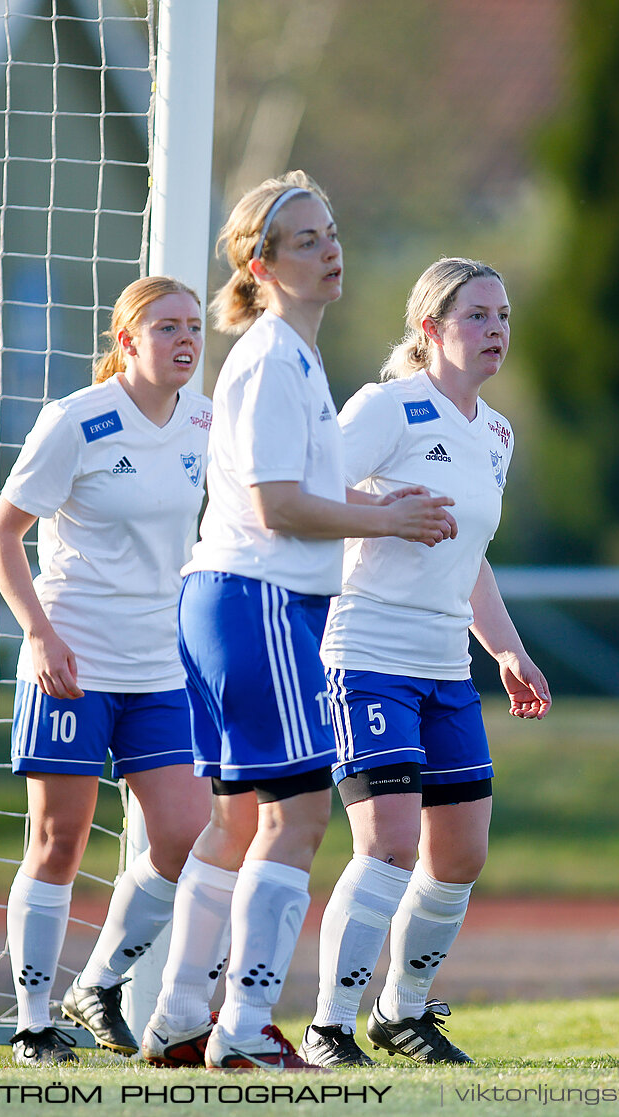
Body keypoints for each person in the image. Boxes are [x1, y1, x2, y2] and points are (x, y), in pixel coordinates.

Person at [142, 171, 457, 1071]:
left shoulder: (291, 355)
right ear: (260, 262)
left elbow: (297, 491)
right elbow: (279, 507)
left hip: (236, 598)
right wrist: (386, 517)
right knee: (298, 819)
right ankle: (241, 1029)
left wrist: (371, 499)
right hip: (261, 599)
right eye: (309, 239)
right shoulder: (275, 355)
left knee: (238, 821)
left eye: (332, 233)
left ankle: (177, 1018)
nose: (332, 249)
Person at [298, 258, 550, 1068]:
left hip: (447, 667)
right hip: (367, 654)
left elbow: (471, 556)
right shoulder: (388, 408)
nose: (496, 331)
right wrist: (385, 512)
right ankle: (328, 1023)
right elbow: (304, 495)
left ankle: (401, 1014)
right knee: (389, 842)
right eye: (477, 315)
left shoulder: (498, 434)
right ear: (429, 328)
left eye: (503, 316)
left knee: (462, 852)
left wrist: (506, 647)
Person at [0, 276, 215, 1066]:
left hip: (163, 668)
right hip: (72, 661)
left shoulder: (205, 420)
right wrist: (41, 636)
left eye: (193, 326)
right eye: (166, 327)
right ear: (126, 341)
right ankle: (32, 1022)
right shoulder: (76, 420)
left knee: (189, 833)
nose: (185, 339)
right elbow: (3, 535)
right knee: (59, 839)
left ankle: (100, 982)